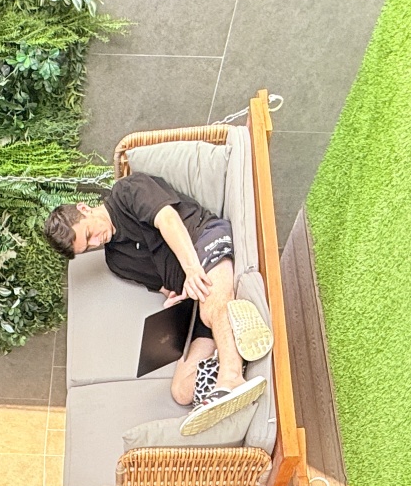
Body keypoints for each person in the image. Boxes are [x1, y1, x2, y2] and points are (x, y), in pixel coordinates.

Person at [44, 173, 268, 422]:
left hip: (205, 241)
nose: (96, 241)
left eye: (89, 234)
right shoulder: (117, 261)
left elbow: (168, 220)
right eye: (88, 247)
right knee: (181, 391)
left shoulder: (127, 191)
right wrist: (175, 300)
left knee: (209, 308)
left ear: (84, 209)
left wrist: (192, 269)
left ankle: (232, 379)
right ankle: (237, 339)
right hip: (196, 293)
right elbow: (165, 288)